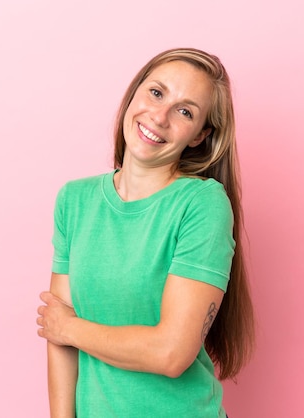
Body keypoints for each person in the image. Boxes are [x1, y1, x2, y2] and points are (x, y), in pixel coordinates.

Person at [36, 47, 254, 418]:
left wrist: (70, 329)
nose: (159, 116)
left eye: (185, 111)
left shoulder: (202, 205)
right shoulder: (74, 200)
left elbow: (171, 353)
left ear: (200, 135)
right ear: (134, 93)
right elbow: (58, 339)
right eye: (156, 92)